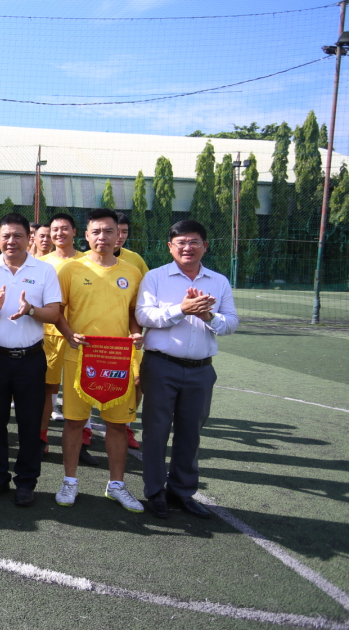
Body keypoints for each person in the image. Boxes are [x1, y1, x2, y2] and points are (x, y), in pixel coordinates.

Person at [136, 220, 237, 519]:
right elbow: (144, 314)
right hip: (161, 366)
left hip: (201, 371)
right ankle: (155, 492)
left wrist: (208, 316)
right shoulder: (155, 277)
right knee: (155, 432)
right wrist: (182, 309)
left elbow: (231, 323)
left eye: (194, 242)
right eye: (180, 242)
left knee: (191, 432)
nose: (187, 248)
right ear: (170, 247)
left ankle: (181, 492)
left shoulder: (218, 281)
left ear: (205, 246)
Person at [54, 208, 145, 512]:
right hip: (79, 358)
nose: (102, 237)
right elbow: (57, 310)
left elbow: (134, 315)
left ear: (119, 235)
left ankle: (116, 484)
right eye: (96, 232)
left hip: (118, 361)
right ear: (87, 236)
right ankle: (70, 481)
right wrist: (68, 333)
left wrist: (136, 334)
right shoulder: (70, 270)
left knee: (117, 426)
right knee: (74, 422)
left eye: (109, 231)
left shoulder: (132, 272)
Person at [0, 213, 61, 506]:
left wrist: (31, 310)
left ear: (29, 238)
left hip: (31, 360)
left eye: (18, 235)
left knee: (29, 423)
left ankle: (26, 482)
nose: (11, 241)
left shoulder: (44, 271)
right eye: (6, 236)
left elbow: (54, 313)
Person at [39, 212, 98, 466]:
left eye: (64, 229)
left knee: (83, 388)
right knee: (48, 388)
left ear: (76, 232)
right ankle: (41, 438)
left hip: (82, 337)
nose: (59, 233)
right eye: (55, 229)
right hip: (49, 335)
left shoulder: (89, 262)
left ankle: (83, 440)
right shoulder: (42, 263)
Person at [113, 211, 149, 450]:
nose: (119, 236)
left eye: (124, 231)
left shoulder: (135, 261)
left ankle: (126, 424)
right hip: (97, 337)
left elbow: (147, 294)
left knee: (138, 381)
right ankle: (84, 428)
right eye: (115, 231)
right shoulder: (82, 261)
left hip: (130, 337)